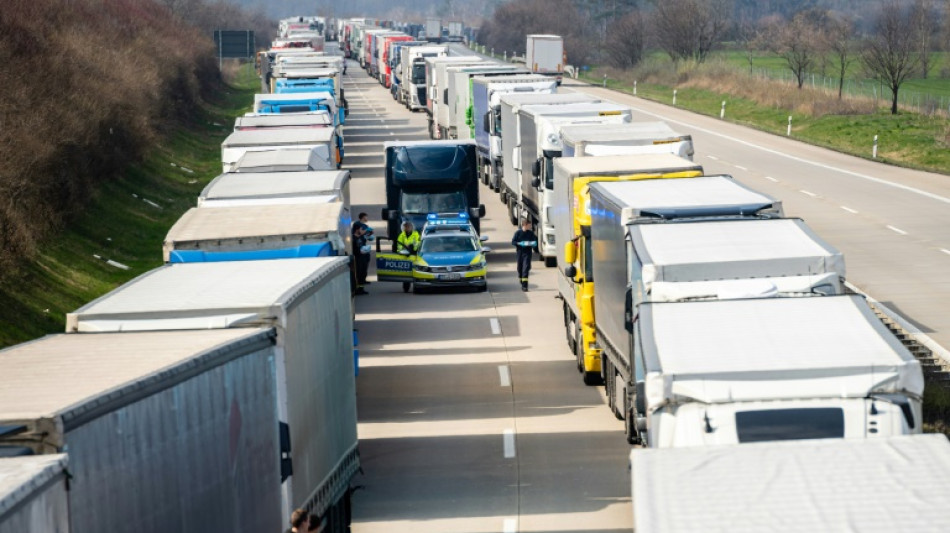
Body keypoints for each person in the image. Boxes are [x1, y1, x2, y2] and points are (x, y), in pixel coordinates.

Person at [511, 219, 538, 292]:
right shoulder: (518, 233)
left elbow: (535, 242)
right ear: (524, 225)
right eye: (529, 225)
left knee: (525, 268)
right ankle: (521, 278)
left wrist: (532, 244)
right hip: (520, 252)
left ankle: (524, 286)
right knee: (519, 268)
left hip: (527, 253)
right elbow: (513, 242)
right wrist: (519, 243)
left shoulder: (530, 233)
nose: (530, 227)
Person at [394, 221, 420, 293]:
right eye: (406, 227)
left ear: (412, 227)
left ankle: (416, 287)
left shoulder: (416, 234)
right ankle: (406, 288)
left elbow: (418, 243)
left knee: (416, 272)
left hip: (414, 255)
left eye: (408, 226)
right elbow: (399, 246)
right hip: (405, 256)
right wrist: (402, 251)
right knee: (406, 273)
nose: (407, 228)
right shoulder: (401, 235)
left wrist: (411, 246)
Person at [352, 224, 370, 295]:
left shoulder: (361, 237)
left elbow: (365, 241)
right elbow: (353, 250)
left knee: (363, 274)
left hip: (363, 258)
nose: (362, 231)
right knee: (358, 274)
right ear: (357, 230)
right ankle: (356, 289)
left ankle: (361, 289)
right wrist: (359, 251)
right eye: (361, 229)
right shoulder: (353, 239)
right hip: (357, 259)